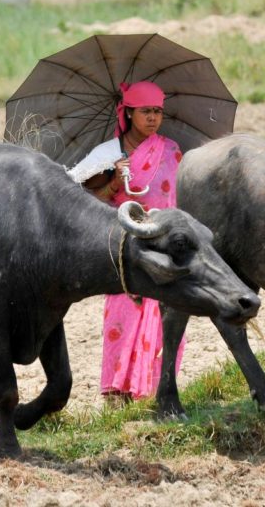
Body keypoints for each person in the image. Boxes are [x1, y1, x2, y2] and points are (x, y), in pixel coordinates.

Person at [66, 80, 186, 404]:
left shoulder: (172, 151)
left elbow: (180, 199)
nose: (153, 118)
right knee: (122, 317)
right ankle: (117, 395)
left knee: (166, 316)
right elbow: (82, 202)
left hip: (165, 247)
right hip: (125, 250)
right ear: (129, 112)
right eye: (146, 111)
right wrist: (114, 183)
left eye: (158, 112)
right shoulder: (106, 156)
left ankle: (156, 394)